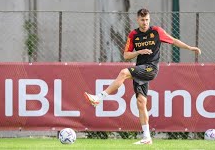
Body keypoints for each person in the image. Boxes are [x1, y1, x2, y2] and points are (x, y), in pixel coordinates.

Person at [84, 8, 201, 145]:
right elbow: (126, 55)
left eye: (147, 20)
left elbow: (174, 41)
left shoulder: (156, 31)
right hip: (140, 68)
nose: (145, 22)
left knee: (123, 72)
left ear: (149, 19)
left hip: (151, 68)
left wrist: (190, 48)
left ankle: (99, 97)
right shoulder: (133, 34)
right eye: (142, 20)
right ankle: (147, 137)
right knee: (141, 102)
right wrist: (139, 51)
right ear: (137, 20)